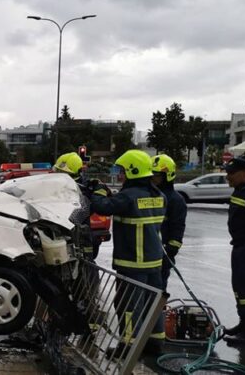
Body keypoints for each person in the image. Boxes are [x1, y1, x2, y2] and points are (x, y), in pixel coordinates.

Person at [89, 149, 166, 356]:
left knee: (128, 306)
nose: (120, 174)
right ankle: (155, 343)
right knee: (153, 303)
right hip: (154, 262)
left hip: (133, 264)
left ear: (133, 171)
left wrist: (97, 191)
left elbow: (102, 206)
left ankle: (128, 347)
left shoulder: (129, 197)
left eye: (122, 170)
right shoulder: (158, 195)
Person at [151, 154, 186, 293]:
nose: (152, 178)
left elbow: (178, 228)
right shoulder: (149, 194)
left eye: (157, 175)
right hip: (147, 254)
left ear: (168, 175)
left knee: (158, 292)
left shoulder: (176, 200)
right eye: (151, 174)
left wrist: (170, 251)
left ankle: (158, 314)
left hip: (163, 255)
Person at [224, 157, 245, 344]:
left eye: (232, 174)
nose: (228, 177)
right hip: (240, 245)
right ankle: (244, 322)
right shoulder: (240, 190)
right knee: (239, 287)